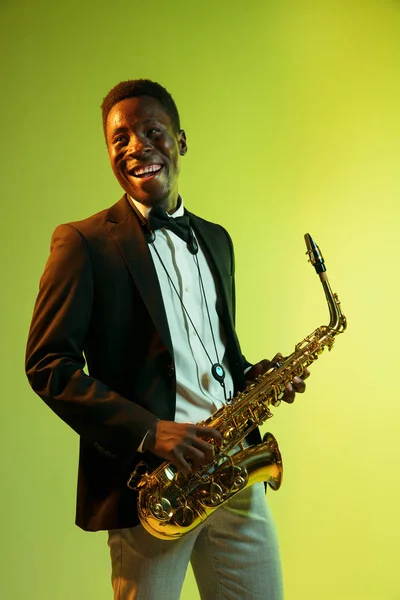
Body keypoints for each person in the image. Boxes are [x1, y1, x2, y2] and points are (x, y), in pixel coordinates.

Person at [26, 79, 308, 600]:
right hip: (151, 485)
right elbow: (48, 365)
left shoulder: (217, 240)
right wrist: (151, 431)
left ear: (181, 141)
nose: (137, 146)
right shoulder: (83, 242)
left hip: (232, 470)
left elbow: (215, 353)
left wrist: (255, 377)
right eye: (120, 138)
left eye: (152, 131)